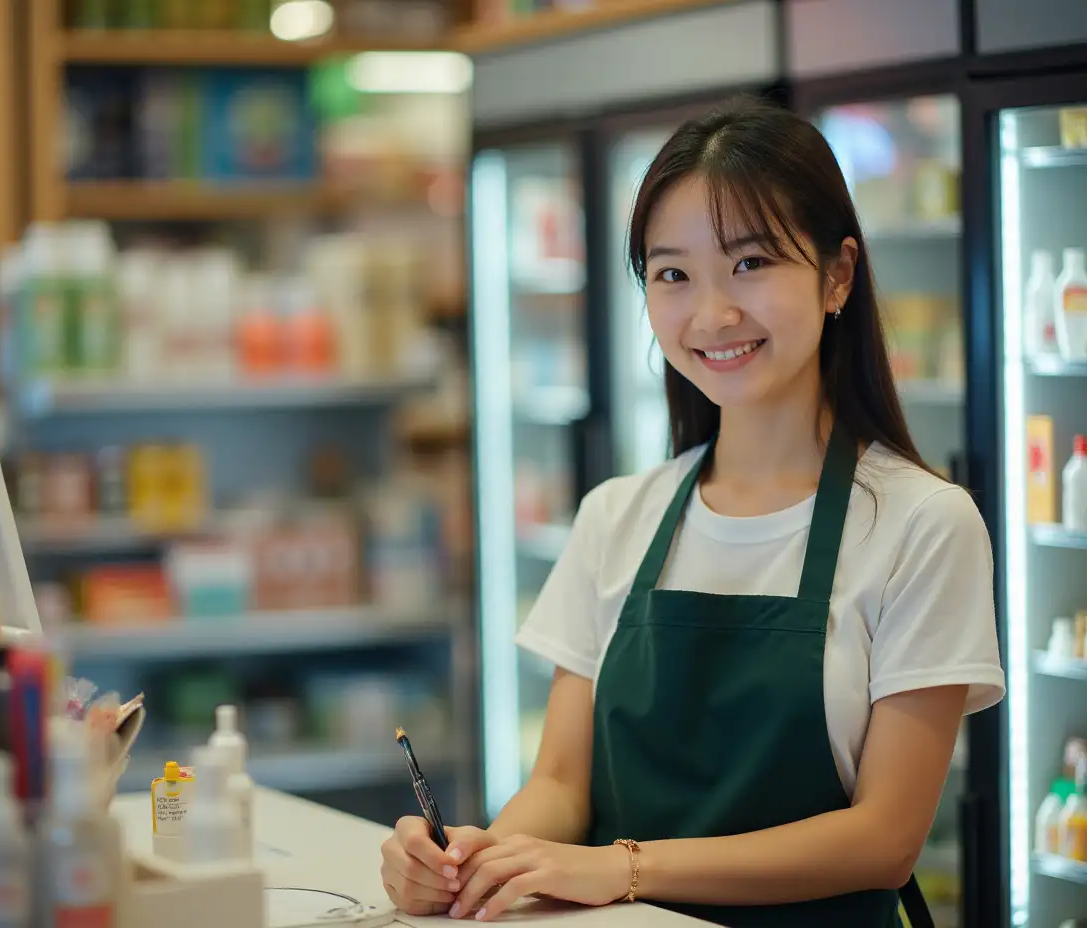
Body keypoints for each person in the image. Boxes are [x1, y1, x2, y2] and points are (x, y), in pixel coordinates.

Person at [379, 96, 1005, 927]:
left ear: (838, 275)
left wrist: (624, 869)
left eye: (750, 263)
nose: (712, 315)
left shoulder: (924, 524)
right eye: (673, 274)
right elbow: (561, 785)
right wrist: (472, 862)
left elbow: (883, 838)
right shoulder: (617, 517)